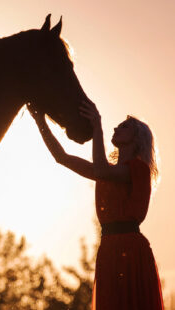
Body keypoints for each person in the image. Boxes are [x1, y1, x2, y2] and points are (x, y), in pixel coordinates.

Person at [28, 100, 164, 310]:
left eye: (124, 126)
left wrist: (97, 125)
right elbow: (61, 157)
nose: (116, 128)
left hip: (130, 250)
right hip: (109, 248)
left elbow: (101, 170)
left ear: (137, 140)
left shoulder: (138, 169)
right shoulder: (108, 172)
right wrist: (40, 121)